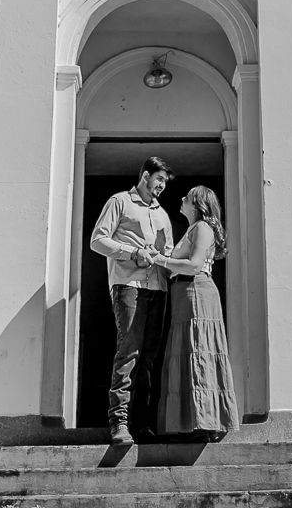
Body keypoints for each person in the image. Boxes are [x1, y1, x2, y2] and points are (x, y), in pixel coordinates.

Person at [88, 156, 174, 445]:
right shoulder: (120, 202)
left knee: (149, 357)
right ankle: (119, 422)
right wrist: (132, 252)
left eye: (164, 182)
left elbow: (169, 251)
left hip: (158, 288)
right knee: (129, 352)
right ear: (146, 175)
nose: (162, 186)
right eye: (159, 179)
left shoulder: (162, 214)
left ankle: (144, 423)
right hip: (128, 286)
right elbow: (98, 240)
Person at [150, 185, 239, 440]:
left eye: (186, 197)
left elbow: (194, 265)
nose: (181, 198)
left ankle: (203, 422)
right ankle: (195, 421)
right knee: (190, 351)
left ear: (198, 205)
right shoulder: (192, 229)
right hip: (185, 294)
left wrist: (160, 259)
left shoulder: (202, 227)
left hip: (196, 291)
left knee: (198, 350)